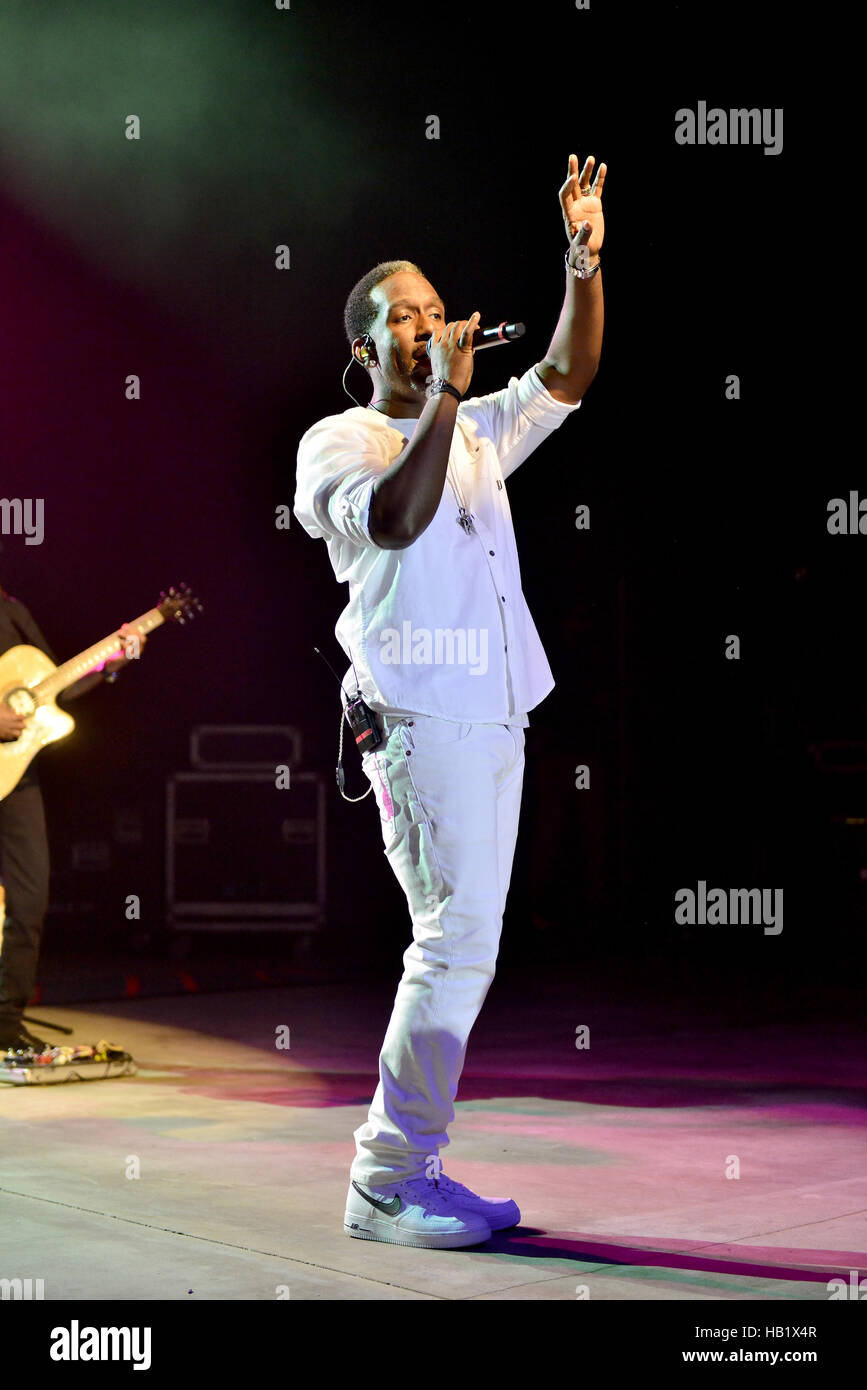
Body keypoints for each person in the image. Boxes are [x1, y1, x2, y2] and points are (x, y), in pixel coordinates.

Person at [294, 152, 606, 1249]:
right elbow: (390, 521)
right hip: (418, 721)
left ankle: (408, 1163)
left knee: (467, 941)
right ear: (364, 349)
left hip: (494, 713)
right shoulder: (344, 440)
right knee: (452, 941)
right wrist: (444, 401)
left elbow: (568, 374)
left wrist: (581, 258)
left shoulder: (470, 428)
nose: (428, 325)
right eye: (404, 317)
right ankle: (386, 1176)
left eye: (436, 308)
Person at [0, 580, 146, 1056]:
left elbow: (54, 685)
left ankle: (5, 1023)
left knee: (29, 899)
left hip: (15, 776)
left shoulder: (12, 610)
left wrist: (112, 664)